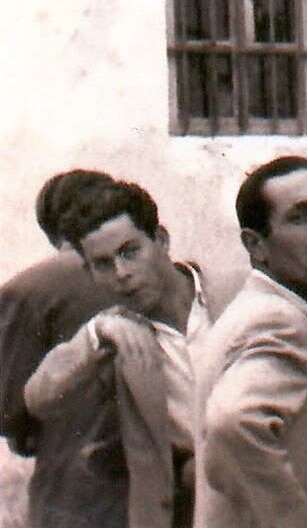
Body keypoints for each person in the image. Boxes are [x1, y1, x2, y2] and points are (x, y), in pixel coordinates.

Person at [25, 179, 219, 528]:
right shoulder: (115, 335)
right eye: (102, 263)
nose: (122, 274)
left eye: (130, 251)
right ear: (88, 272)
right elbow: (40, 398)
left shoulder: (233, 293)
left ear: (161, 240)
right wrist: (97, 335)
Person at [192, 157, 307, 528]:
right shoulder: (277, 321)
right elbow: (233, 425)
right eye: (300, 217)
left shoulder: (258, 311)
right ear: (255, 245)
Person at [0, 170, 121, 528]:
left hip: (74, 487)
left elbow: (8, 409)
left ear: (51, 227)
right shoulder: (150, 274)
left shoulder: (29, 288)